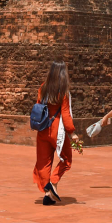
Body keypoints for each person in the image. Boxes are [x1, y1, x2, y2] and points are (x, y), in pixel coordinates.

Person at [33, 61, 79, 206]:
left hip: (42, 129)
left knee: (44, 162)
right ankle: (52, 183)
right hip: (56, 129)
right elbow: (65, 114)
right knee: (67, 159)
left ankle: (48, 194)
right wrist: (72, 133)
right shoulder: (62, 91)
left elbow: (38, 106)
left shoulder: (43, 88)